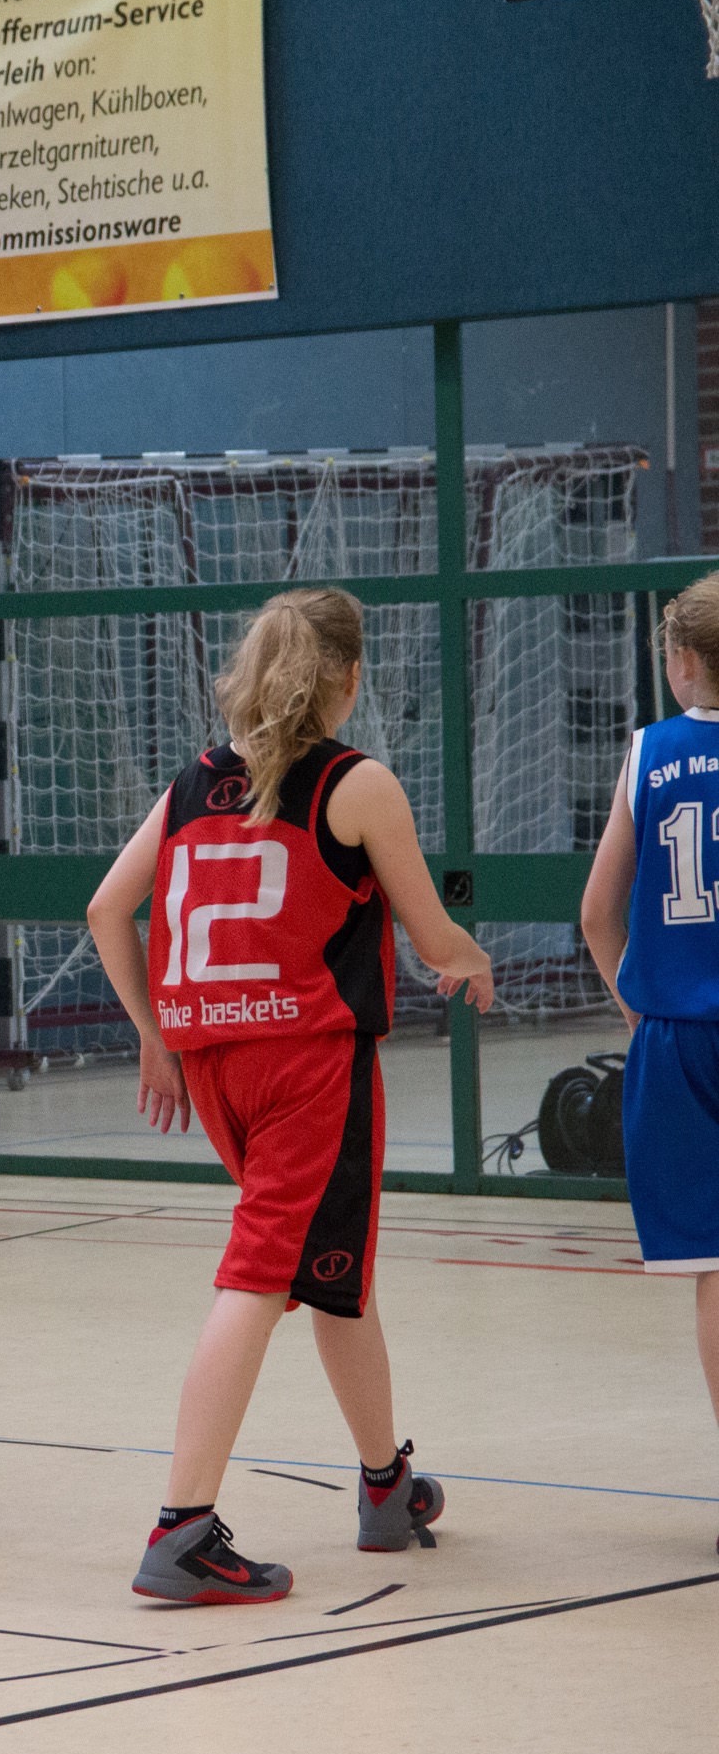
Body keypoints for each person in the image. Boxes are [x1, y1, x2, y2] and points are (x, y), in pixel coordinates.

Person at [87, 587, 491, 1605]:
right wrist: (471, 958)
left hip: (215, 1064)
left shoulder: (193, 783)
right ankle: (182, 1528)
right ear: (349, 679)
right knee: (260, 1281)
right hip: (307, 1063)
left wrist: (153, 1034)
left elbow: (105, 908)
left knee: (333, 1268)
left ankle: (385, 1484)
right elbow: (432, 935)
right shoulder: (355, 784)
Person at [582, 572, 719, 1548]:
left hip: (676, 1038)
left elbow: (597, 913)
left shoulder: (650, 752)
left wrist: (639, 1006)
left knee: (717, 1268)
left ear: (680, 663)